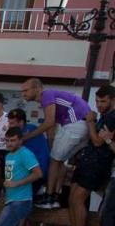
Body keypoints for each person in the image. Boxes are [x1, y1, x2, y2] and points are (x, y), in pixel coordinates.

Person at [60, 85, 115, 226]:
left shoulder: (112, 118)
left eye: (103, 101)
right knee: (72, 197)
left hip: (98, 165)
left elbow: (98, 141)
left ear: (112, 100)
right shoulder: (105, 116)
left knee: (78, 199)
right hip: (87, 162)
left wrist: (90, 122)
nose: (99, 104)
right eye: (97, 101)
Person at [21, 78, 90, 210]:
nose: (23, 94)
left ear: (37, 88)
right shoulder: (49, 99)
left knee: (54, 159)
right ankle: (55, 196)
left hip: (75, 123)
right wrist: (51, 144)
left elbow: (49, 122)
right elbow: (52, 128)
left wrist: (28, 136)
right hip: (81, 125)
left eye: (26, 90)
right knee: (59, 160)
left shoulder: (46, 95)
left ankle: (49, 195)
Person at [0, 127, 42, 226]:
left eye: (13, 140)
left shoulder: (25, 153)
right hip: (11, 199)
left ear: (20, 140)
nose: (9, 143)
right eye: (7, 140)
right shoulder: (9, 155)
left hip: (21, 200)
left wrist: (17, 183)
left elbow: (38, 173)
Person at [7, 108, 49, 199]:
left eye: (12, 123)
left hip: (36, 173)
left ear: (21, 122)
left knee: (19, 200)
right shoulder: (27, 129)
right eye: (9, 123)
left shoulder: (28, 131)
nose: (9, 126)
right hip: (29, 172)